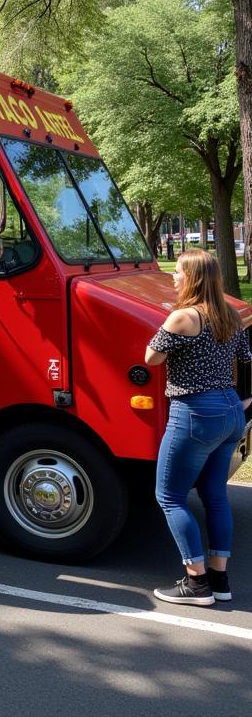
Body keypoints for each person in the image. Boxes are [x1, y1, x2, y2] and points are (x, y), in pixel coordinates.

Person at [145, 249, 249, 606]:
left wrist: (165, 322)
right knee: (215, 495)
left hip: (195, 414)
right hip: (230, 410)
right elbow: (246, 359)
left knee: (170, 497)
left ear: (191, 278)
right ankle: (220, 580)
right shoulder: (231, 315)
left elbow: (151, 357)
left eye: (177, 272)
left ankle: (196, 583)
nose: (173, 277)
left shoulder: (183, 318)